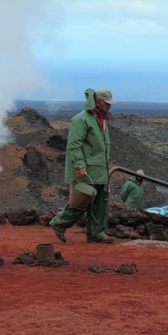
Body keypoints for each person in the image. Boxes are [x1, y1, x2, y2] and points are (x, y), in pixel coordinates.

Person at [50, 88, 115, 244]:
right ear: (98, 102)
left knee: (100, 202)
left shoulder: (101, 119)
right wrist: (79, 165)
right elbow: (74, 145)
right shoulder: (81, 119)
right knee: (82, 199)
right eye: (106, 103)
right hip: (86, 170)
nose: (109, 106)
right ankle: (59, 223)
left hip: (100, 169)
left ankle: (96, 233)